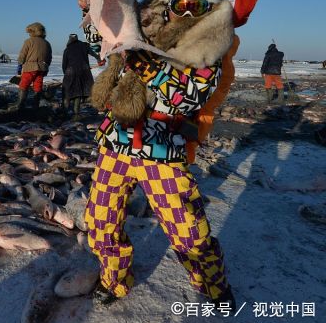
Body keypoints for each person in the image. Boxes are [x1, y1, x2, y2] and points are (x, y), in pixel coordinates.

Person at [86, 49, 234, 308]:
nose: (183, 10)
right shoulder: (140, 30)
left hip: (161, 147)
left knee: (186, 226)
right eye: (175, 5)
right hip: (115, 144)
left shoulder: (206, 43)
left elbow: (189, 98)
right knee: (101, 219)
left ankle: (214, 285)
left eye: (193, 6)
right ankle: (113, 280)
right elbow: (102, 42)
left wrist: (143, 64)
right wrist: (89, 11)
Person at [12, 22, 52, 110]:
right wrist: (46, 67)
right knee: (38, 86)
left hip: (30, 68)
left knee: (24, 85)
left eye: (30, 32)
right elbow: (49, 58)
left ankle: (20, 104)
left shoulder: (28, 41)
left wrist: (19, 66)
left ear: (34, 31)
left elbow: (23, 54)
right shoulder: (47, 43)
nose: (29, 34)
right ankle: (35, 105)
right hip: (42, 68)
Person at [62, 33, 98, 119]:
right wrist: (100, 59)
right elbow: (94, 54)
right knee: (78, 91)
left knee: (67, 90)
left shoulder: (67, 49)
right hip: (84, 71)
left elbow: (64, 64)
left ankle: (64, 112)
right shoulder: (84, 46)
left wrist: (66, 73)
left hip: (70, 71)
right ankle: (76, 113)